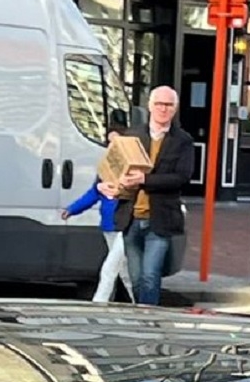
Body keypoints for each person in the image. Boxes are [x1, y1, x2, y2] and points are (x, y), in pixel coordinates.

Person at [123, 85, 196, 307]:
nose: (163, 109)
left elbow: (182, 177)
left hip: (160, 218)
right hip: (131, 217)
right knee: (135, 279)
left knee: (149, 275)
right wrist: (104, 186)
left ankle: (148, 320)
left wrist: (145, 180)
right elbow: (114, 167)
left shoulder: (183, 140)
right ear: (149, 106)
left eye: (169, 105)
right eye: (159, 104)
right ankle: (140, 314)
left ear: (175, 109)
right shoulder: (133, 136)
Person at [63, 108, 137, 302]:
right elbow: (94, 192)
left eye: (116, 142)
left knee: (110, 267)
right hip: (109, 226)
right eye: (110, 142)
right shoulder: (106, 168)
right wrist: (72, 209)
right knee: (123, 270)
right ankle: (137, 301)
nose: (111, 145)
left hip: (122, 224)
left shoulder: (129, 168)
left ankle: (99, 302)